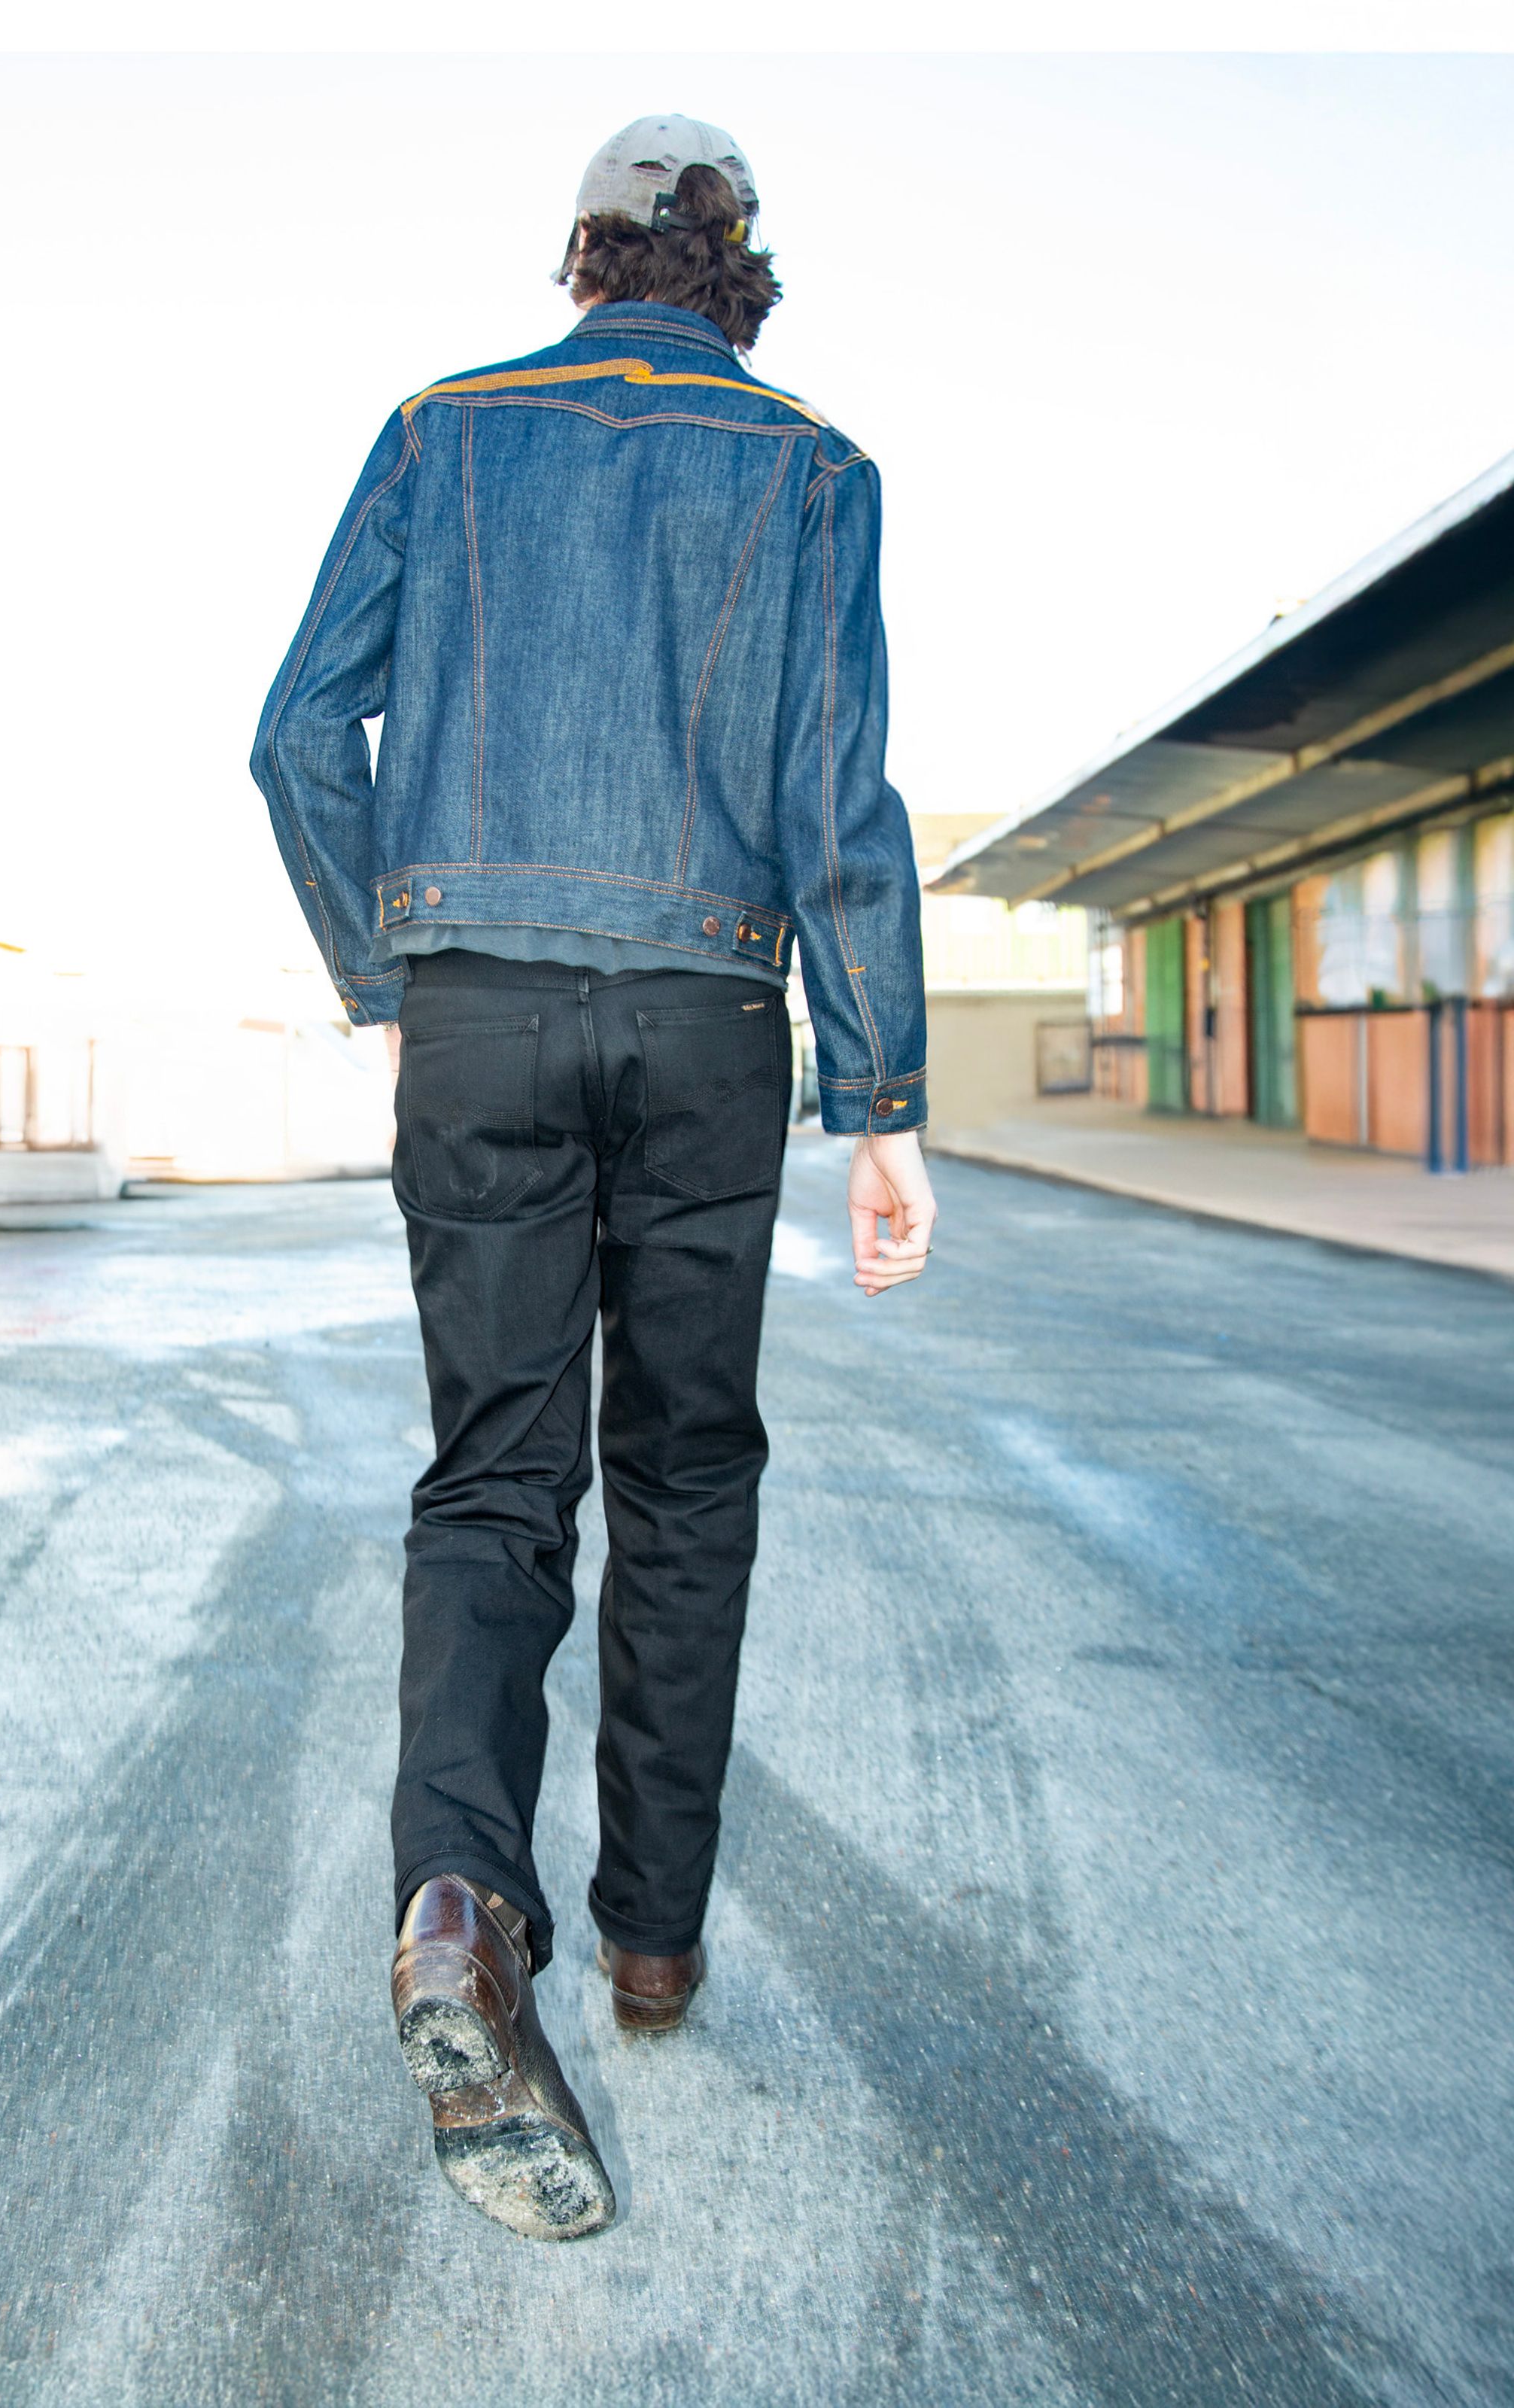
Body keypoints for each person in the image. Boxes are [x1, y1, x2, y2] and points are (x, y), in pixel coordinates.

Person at [251, 113, 934, 2242]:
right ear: (741, 271)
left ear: (586, 257)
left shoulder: (440, 430)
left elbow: (295, 736)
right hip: (716, 1017)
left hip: (475, 1005)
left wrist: (391, 964)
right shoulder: (813, 466)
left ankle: (461, 1904)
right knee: (689, 1481)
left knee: (491, 1484)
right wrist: (884, 1097)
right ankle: (650, 1943)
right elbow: (837, 791)